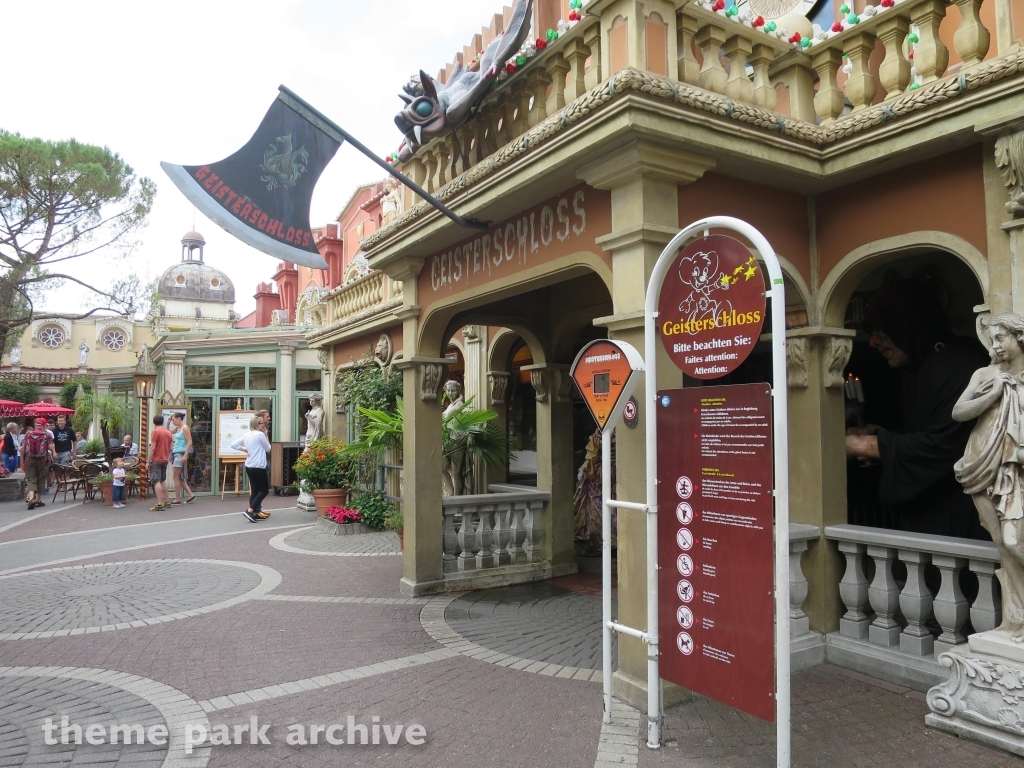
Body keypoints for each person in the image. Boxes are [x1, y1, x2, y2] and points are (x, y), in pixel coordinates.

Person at [845, 276, 990, 538]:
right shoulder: (922, 367)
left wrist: (862, 445)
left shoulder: (959, 365)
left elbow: (944, 447)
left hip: (962, 528)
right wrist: (880, 436)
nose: (875, 343)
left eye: (882, 332)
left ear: (909, 325)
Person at [231, 416, 272, 523]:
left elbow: (233, 445)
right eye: (262, 423)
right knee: (264, 490)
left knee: (255, 490)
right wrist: (266, 435)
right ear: (257, 424)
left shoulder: (246, 435)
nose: (264, 425)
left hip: (249, 466)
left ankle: (254, 513)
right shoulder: (260, 434)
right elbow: (268, 448)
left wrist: (245, 450)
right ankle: (250, 510)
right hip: (259, 466)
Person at [21, 418, 55, 509]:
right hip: (43, 460)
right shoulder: (47, 434)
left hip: (29, 460)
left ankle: (31, 498)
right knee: (41, 479)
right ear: (44, 425)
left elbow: (23, 448)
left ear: (35, 425)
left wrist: (22, 460)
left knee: (31, 479)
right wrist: (53, 451)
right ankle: (38, 500)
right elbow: (51, 447)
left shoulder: (28, 434)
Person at [148, 414, 173, 511]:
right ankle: (167, 501)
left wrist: (148, 460)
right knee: (163, 480)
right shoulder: (168, 433)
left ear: (154, 422)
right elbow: (171, 448)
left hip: (156, 459)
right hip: (164, 459)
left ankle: (160, 503)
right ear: (162, 422)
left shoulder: (155, 432)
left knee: (156, 481)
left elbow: (153, 447)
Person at [169, 413, 195, 504]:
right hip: (177, 453)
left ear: (179, 418)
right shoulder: (178, 428)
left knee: (176, 477)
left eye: (174, 420)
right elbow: (168, 431)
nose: (173, 422)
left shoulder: (184, 428)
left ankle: (177, 498)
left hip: (180, 453)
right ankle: (190, 494)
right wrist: (168, 422)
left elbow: (189, 441)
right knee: (179, 478)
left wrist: (185, 455)